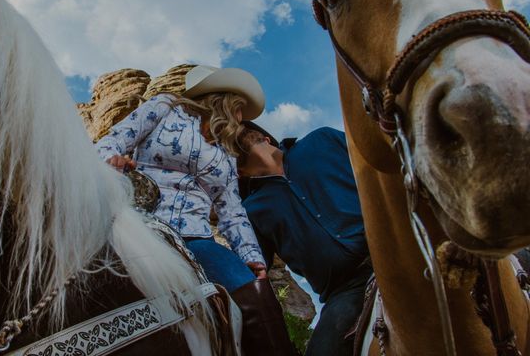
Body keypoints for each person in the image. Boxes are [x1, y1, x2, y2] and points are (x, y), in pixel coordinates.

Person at [95, 65, 295, 355]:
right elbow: (111, 141)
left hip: (196, 238)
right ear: (224, 100)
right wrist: (110, 161)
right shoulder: (164, 108)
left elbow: (232, 213)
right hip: (139, 222)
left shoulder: (227, 156)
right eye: (239, 109)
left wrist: (252, 258)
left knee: (250, 289)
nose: (241, 119)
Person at [237, 121, 371, 356]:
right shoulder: (250, 210)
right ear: (237, 171)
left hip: (396, 250)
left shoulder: (323, 139)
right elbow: (256, 269)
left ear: (267, 139)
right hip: (346, 290)